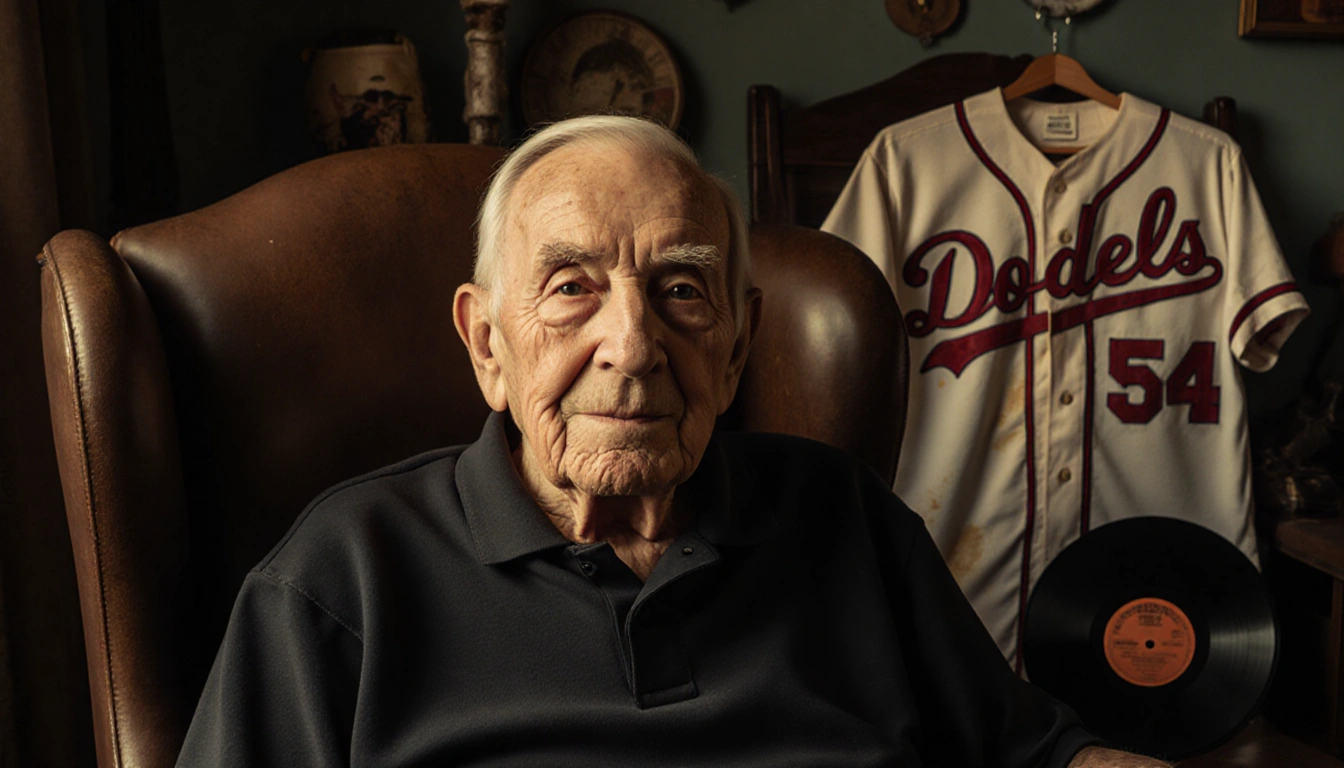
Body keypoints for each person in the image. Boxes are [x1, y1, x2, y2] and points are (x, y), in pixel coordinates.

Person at [176, 115, 1171, 767]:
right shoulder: (342, 576)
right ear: (487, 344)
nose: (634, 346)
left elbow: (1040, 755)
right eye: (572, 288)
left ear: (736, 348)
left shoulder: (842, 516)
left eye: (681, 291)